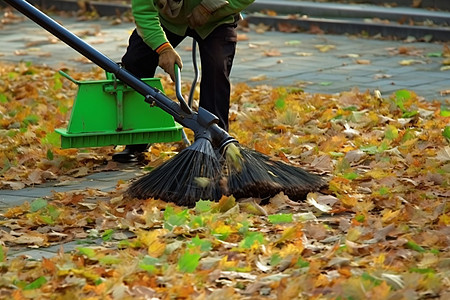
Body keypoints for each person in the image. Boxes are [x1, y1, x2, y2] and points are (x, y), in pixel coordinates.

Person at [112, 0, 255, 163]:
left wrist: (209, 9)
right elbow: (143, 11)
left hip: (216, 20)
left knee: (216, 68)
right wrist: (163, 48)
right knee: (135, 61)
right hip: (168, 20)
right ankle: (138, 137)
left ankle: (214, 144)